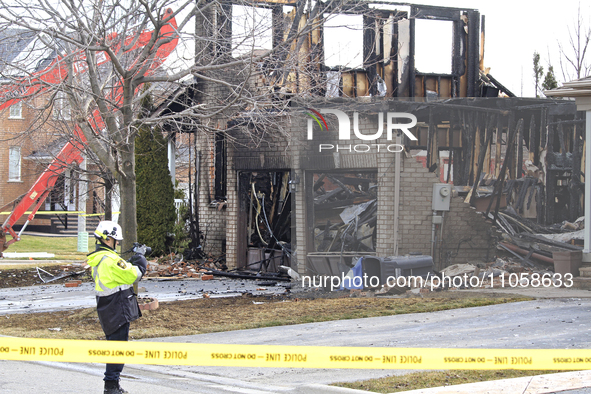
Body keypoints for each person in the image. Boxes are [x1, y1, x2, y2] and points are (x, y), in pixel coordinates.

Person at [87, 221, 147, 394]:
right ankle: (111, 386)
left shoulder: (99, 259)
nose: (118, 243)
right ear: (108, 239)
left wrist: (129, 262)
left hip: (107, 308)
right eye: (116, 240)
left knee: (115, 346)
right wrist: (141, 260)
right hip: (117, 308)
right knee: (118, 348)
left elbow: (117, 274)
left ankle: (112, 384)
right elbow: (132, 275)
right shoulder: (110, 260)